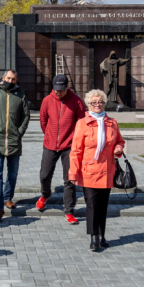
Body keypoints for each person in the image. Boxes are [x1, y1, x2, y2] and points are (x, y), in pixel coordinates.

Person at [68, 90, 125, 251]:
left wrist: (118, 148)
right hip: (89, 171)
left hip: (107, 170)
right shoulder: (82, 123)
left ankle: (102, 234)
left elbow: (119, 141)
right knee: (92, 205)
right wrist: (73, 172)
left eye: (100, 102)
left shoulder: (112, 122)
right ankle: (94, 236)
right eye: (94, 102)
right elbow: (76, 151)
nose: (97, 105)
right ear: (88, 104)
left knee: (103, 205)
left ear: (104, 103)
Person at [0, 69, 30, 221]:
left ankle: (8, 197)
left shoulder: (20, 94)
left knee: (13, 174)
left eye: (13, 79)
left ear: (16, 80)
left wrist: (19, 132)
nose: (10, 81)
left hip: (14, 141)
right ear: (3, 78)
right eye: (8, 78)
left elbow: (26, 115)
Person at [37, 74, 86, 224]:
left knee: (69, 179)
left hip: (69, 146)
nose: (58, 92)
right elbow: (43, 121)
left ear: (67, 87)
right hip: (50, 145)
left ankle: (69, 211)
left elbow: (81, 122)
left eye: (61, 90)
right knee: (44, 175)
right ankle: (45, 195)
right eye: (56, 89)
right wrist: (50, 136)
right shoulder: (47, 100)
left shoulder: (76, 101)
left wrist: (74, 140)